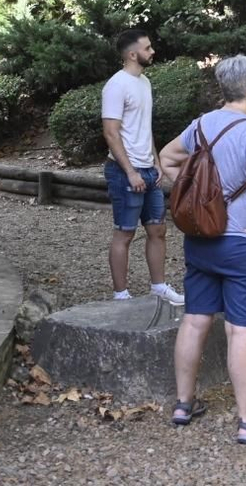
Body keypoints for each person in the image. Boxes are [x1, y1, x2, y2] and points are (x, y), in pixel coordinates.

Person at [159, 54, 246, 444]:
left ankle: (184, 404)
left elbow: (167, 159)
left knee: (196, 320)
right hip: (243, 245)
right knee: (239, 332)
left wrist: (195, 197)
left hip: (200, 240)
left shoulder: (200, 125)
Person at [100, 30, 182, 305]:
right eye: (147, 48)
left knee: (157, 229)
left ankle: (158, 286)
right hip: (125, 170)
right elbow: (111, 133)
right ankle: (120, 295)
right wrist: (131, 171)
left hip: (148, 167)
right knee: (125, 232)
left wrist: (156, 163)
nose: (152, 51)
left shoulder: (144, 82)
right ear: (132, 54)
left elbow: (143, 128)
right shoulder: (116, 85)